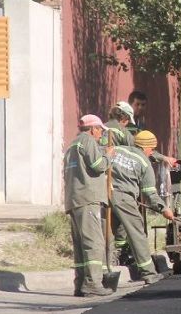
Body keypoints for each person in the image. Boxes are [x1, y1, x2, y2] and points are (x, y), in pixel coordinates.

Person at [110, 130, 174, 284]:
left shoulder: (117, 150)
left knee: (113, 232)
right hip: (124, 198)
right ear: (147, 148)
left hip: (104, 194)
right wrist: (164, 209)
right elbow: (150, 194)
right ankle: (149, 273)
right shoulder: (144, 163)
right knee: (137, 232)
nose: (152, 152)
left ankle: (110, 264)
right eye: (152, 149)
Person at [63, 114, 114, 297]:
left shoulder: (73, 144)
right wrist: (108, 157)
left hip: (74, 199)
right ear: (93, 129)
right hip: (88, 198)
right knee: (94, 242)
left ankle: (81, 283)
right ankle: (93, 283)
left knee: (80, 244)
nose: (101, 134)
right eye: (100, 130)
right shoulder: (88, 142)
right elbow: (98, 165)